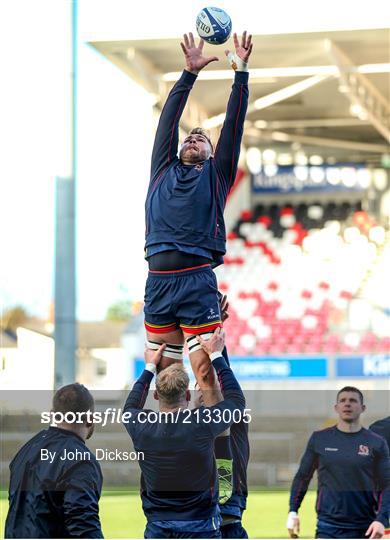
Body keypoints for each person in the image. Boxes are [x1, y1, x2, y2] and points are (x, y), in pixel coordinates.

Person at [144, 30, 253, 384]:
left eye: (201, 138)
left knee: (206, 372)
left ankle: (213, 439)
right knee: (168, 375)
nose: (192, 139)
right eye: (189, 138)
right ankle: (167, 437)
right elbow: (168, 122)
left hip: (196, 280)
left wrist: (240, 74)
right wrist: (189, 73)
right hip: (158, 280)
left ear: (210, 151)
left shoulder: (217, 174)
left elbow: (234, 126)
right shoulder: (163, 168)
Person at [122, 328, 245, 539]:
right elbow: (236, 401)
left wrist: (149, 367)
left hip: (158, 529)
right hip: (201, 528)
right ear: (188, 393)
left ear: (157, 395)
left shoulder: (141, 425)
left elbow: (130, 406)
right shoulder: (200, 423)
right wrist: (216, 355)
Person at [286, 386, 390, 539]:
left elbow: (387, 484)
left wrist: (381, 519)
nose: (347, 404)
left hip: (366, 526)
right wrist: (293, 511)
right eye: (343, 400)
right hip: (327, 526)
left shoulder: (376, 442)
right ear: (336, 407)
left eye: (353, 400)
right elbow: (303, 476)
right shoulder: (320, 439)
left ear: (363, 408)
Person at [5, 383, 103, 539]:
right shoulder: (80, 459)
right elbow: (83, 525)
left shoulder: (26, 450)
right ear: (91, 419)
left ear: (52, 414)